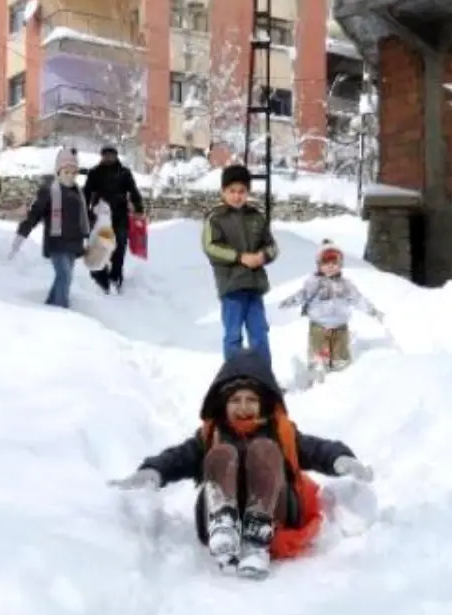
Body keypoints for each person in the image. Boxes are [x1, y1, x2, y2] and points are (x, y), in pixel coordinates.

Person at [108, 349, 373, 578]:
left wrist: (341, 459)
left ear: (263, 405)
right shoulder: (211, 435)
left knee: (263, 449)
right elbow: (178, 457)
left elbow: (317, 449)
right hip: (215, 521)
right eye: (235, 400)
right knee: (222, 454)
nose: (243, 406)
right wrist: (152, 471)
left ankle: (257, 535)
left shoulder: (281, 433)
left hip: (275, 513)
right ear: (223, 406)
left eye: (250, 400)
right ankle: (224, 522)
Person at [202, 165, 278, 365]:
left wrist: (263, 256)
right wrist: (239, 257)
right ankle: (234, 377)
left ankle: (263, 379)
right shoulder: (216, 218)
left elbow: (272, 246)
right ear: (223, 192)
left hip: (254, 286)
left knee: (259, 333)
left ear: (248, 192)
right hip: (231, 287)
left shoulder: (256, 217)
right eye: (232, 191)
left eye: (241, 191)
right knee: (233, 334)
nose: (237, 196)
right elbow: (210, 247)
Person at [277, 239, 384, 374]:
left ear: (340, 265)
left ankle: (340, 370)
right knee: (318, 353)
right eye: (326, 263)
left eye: (335, 263)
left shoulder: (346, 285)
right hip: (318, 325)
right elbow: (303, 295)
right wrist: (290, 301)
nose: (330, 266)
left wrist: (373, 311)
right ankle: (316, 370)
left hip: (340, 325)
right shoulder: (314, 283)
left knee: (341, 356)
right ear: (319, 265)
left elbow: (358, 300)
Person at [9, 147, 88, 309]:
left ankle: (50, 307)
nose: (71, 176)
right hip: (56, 243)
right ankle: (61, 311)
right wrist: (21, 236)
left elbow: (85, 217)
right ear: (58, 171)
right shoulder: (49, 191)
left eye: (74, 172)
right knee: (64, 275)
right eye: (67, 171)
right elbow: (34, 215)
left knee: (64, 278)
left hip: (74, 244)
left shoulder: (78, 193)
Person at [83, 145, 144, 293]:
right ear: (101, 156)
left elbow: (133, 191)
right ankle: (101, 276)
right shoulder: (94, 173)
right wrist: (85, 211)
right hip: (100, 217)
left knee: (119, 246)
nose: (108, 157)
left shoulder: (124, 173)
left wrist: (139, 209)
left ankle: (116, 277)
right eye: (105, 155)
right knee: (100, 246)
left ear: (116, 156)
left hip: (119, 216)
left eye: (111, 155)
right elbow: (86, 193)